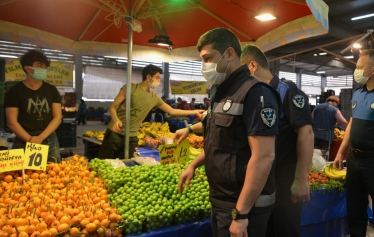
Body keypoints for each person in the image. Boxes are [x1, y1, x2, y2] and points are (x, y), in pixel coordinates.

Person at [177, 28, 280, 237]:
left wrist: (241, 215)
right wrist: (193, 165)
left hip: (243, 206)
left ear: (230, 54)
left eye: (208, 58)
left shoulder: (256, 93)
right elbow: (220, 143)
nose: (203, 66)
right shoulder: (219, 93)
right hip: (221, 201)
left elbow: (264, 156)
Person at [240, 44, 314, 237]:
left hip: (285, 176)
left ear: (252, 66)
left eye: (241, 70)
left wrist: (301, 179)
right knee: (268, 227)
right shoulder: (254, 94)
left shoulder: (287, 92)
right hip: (263, 175)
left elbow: (306, 134)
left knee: (286, 227)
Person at [97, 64, 204, 159]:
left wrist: (194, 112)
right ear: (148, 77)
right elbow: (113, 106)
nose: (159, 81)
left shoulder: (154, 97)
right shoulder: (130, 88)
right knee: (105, 162)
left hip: (132, 137)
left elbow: (172, 111)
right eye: (157, 77)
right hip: (115, 134)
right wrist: (116, 120)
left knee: (125, 165)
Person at [334, 49, 374, 237]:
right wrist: (341, 152)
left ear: (372, 70)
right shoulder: (357, 93)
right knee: (355, 209)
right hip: (354, 159)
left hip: (372, 160)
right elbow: (351, 124)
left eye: (359, 67)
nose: (356, 70)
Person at [4, 50, 62, 163]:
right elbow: (12, 122)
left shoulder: (51, 90)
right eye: (40, 65)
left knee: (53, 172)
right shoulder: (14, 91)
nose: (43, 69)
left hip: (48, 136)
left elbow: (57, 117)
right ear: (27, 68)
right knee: (20, 175)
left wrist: (40, 138)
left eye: (45, 66)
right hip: (23, 137)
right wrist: (30, 139)